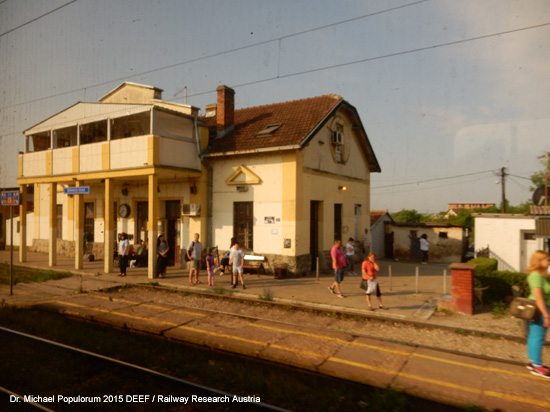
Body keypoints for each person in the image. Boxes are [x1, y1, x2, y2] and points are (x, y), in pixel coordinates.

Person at [526, 250, 550, 378]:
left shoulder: (540, 275)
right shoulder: (535, 275)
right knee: (538, 338)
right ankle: (536, 365)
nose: (549, 262)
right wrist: (546, 315)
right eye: (547, 259)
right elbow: (538, 298)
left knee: (534, 336)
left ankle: (533, 362)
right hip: (540, 310)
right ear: (539, 261)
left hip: (543, 309)